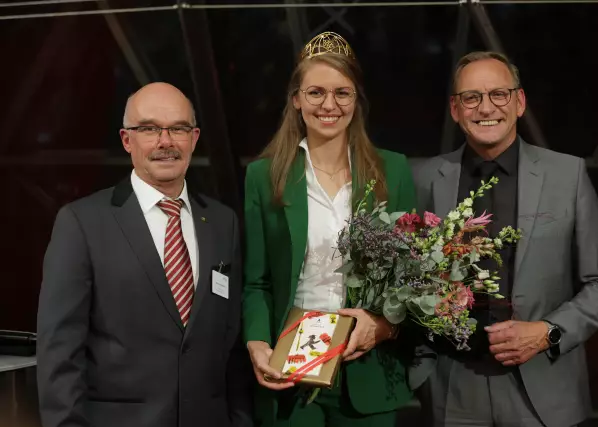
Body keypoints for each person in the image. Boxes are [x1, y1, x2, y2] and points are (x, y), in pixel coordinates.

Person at [411, 51, 598, 427]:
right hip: (451, 390)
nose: (485, 107)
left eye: (499, 94)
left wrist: (548, 332)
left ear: (520, 101)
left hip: (543, 387)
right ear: (455, 109)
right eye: (471, 97)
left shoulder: (566, 175)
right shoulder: (423, 177)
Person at [37, 82, 253, 427]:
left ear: (194, 138)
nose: (165, 142)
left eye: (178, 128)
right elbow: (59, 352)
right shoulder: (81, 222)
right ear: (127, 140)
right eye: (149, 129)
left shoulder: (222, 222)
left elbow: (232, 343)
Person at [242, 32, 417, 427]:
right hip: (291, 367)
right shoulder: (264, 176)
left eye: (343, 93)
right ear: (296, 99)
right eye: (316, 92)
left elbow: (411, 279)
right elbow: (257, 282)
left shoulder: (393, 170)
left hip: (367, 367)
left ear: (357, 101)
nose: (329, 105)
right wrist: (256, 343)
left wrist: (384, 327)